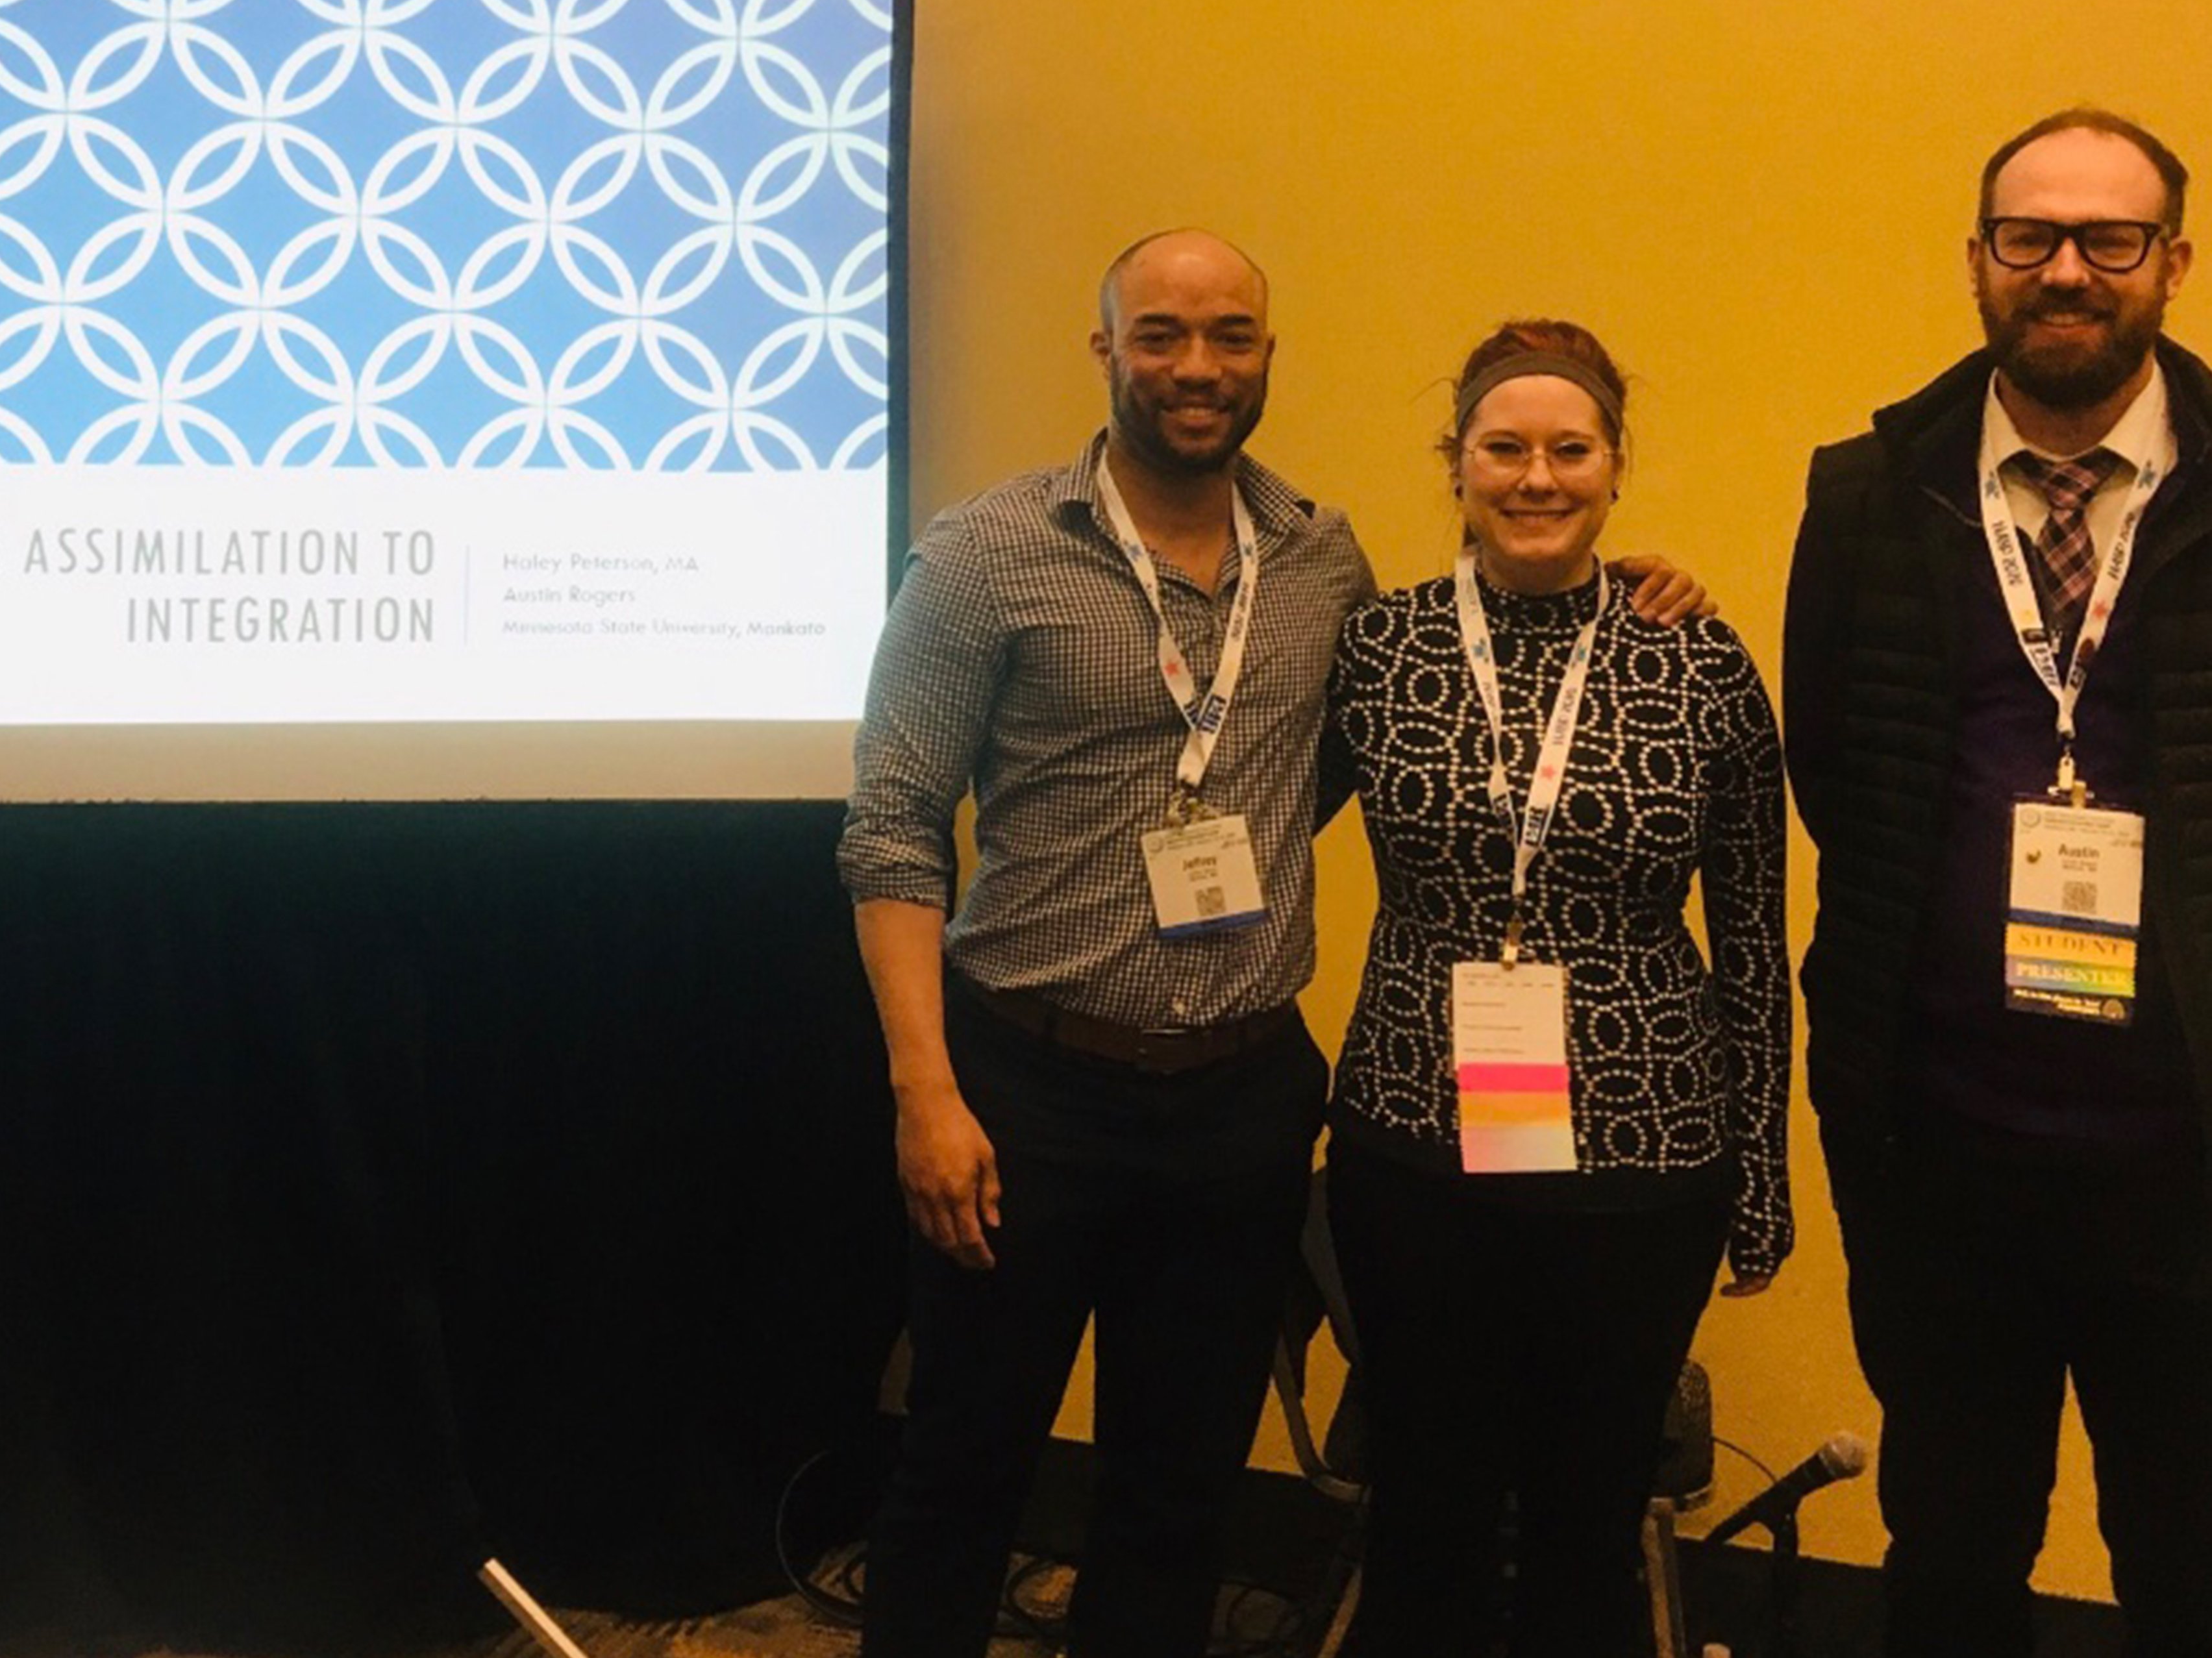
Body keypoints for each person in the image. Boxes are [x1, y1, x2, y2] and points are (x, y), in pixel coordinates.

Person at [838, 234, 1704, 1658]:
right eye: (1161, 335)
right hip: (1023, 1089)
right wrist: (924, 1091)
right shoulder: (988, 553)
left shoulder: (1318, 556)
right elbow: (891, 829)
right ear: (1105, 348)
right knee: (962, 1469)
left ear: (1265, 358)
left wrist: (1628, 590)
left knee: (1181, 1490)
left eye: (1229, 337)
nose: (1197, 367)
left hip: (1239, 1100)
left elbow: (1437, 701)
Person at [1784, 108, 2212, 1656]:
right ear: (1977, 260)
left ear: (2170, 261)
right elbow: (1829, 767)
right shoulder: (1866, 492)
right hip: (1941, 1147)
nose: (2066, 272)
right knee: (1953, 1551)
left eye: (2108, 240)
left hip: (2186, 1160)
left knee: (2188, 1557)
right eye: (2029, 238)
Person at [1319, 321, 1791, 1658]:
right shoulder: (1380, 650)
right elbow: (1250, 819)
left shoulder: (1699, 661)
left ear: (1616, 468)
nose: (1537, 477)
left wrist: (1761, 1179)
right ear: (1455, 464)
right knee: (1425, 1506)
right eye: (1503, 447)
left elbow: (1753, 940)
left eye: (1568, 449)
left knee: (1590, 1515)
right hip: (1412, 1144)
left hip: (1644, 1158)